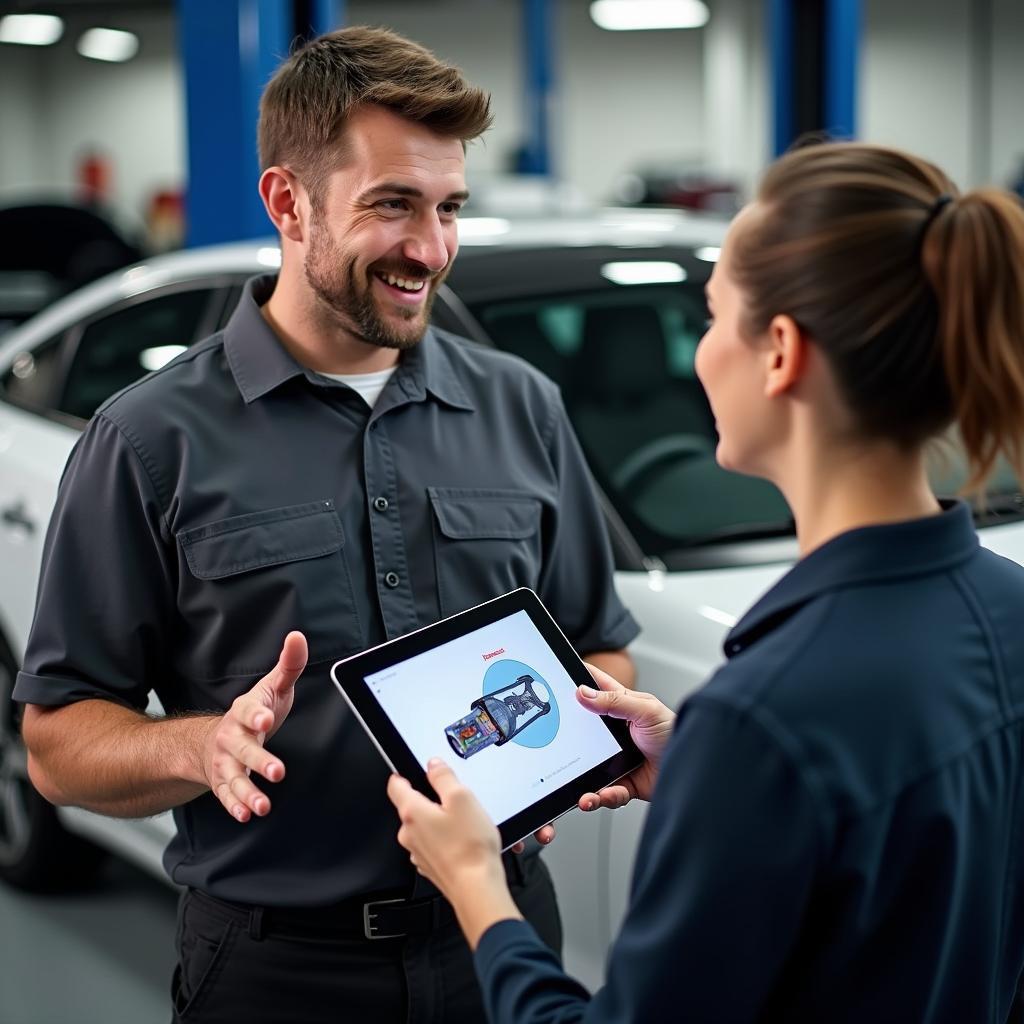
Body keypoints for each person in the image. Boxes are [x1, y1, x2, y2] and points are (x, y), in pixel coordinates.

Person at [14, 26, 638, 1024]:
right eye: (392, 205)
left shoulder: (523, 407)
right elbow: (55, 741)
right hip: (275, 973)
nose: (430, 249)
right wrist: (198, 746)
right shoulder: (146, 441)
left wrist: (557, 749)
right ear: (287, 202)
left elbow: (599, 638)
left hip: (504, 943)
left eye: (448, 209)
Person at [387, 141, 1024, 1021]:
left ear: (780, 354)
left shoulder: (768, 713)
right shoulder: (1008, 608)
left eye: (714, 318)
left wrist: (474, 886)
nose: (696, 357)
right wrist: (703, 767)